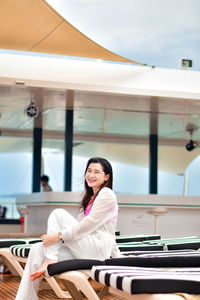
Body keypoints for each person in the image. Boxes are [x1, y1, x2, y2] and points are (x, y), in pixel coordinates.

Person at [15, 157, 120, 300]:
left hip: (97, 249)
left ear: (106, 177)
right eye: (89, 171)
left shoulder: (107, 194)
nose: (91, 175)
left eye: (96, 172)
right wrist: (58, 239)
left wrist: (57, 236)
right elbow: (77, 233)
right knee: (37, 248)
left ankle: (50, 258)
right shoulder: (89, 199)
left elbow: (85, 227)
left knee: (58, 213)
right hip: (86, 248)